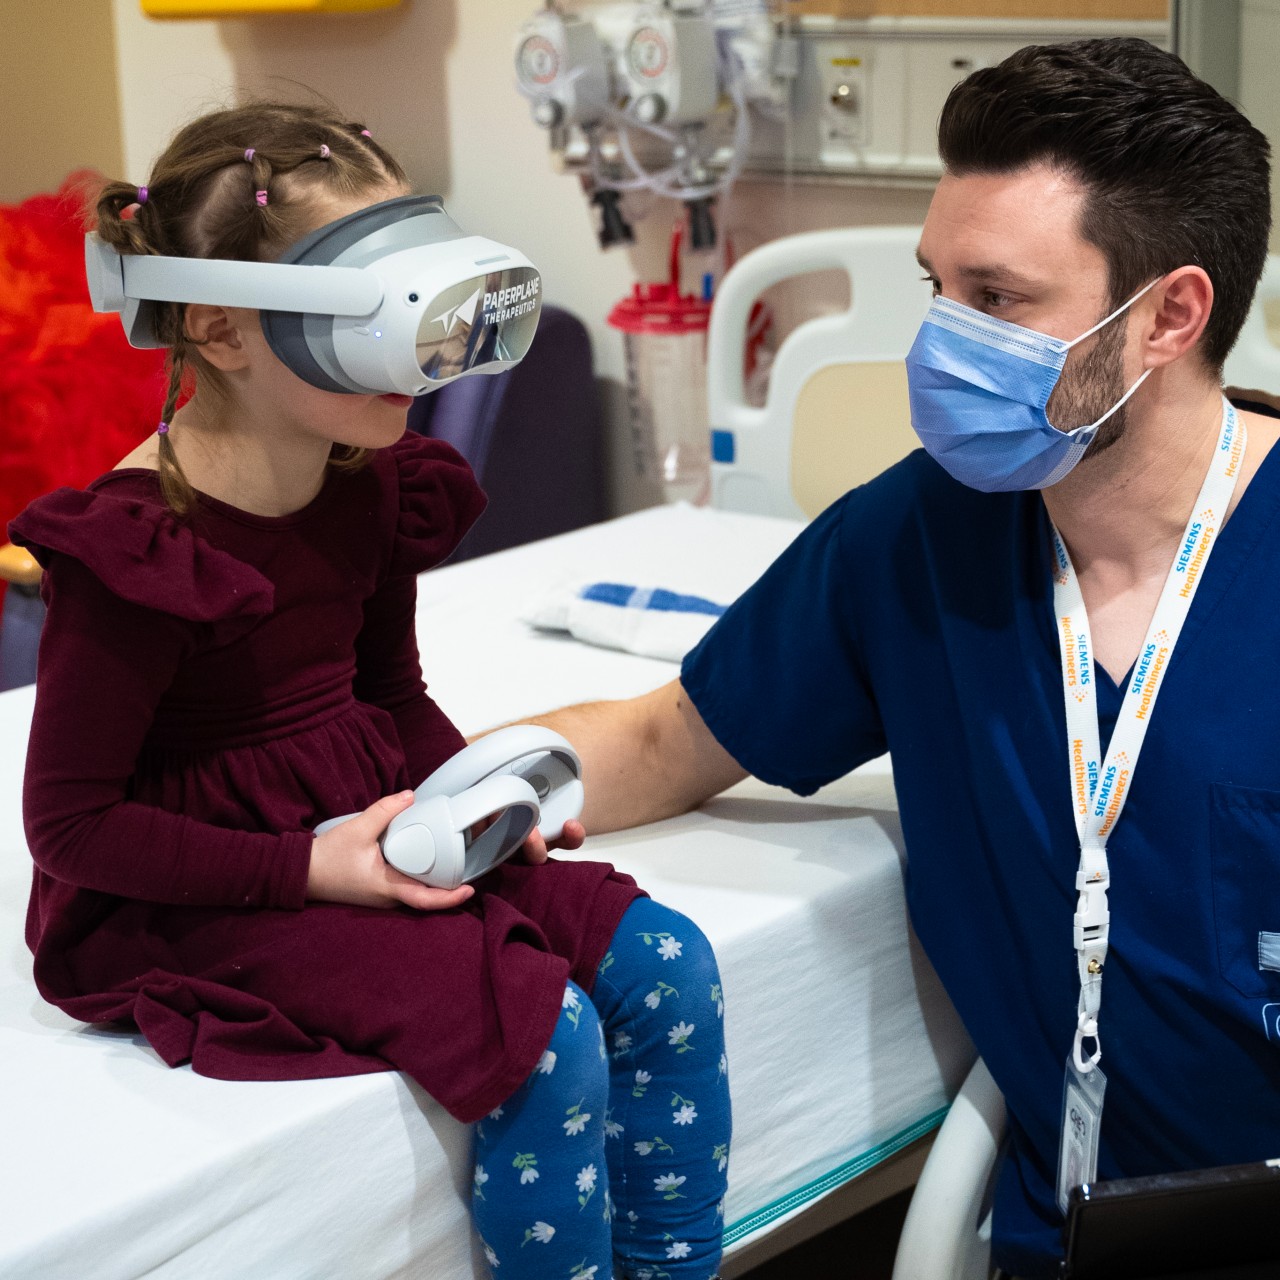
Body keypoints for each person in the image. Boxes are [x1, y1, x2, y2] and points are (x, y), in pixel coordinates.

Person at [525, 39, 1280, 1278]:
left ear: (1168, 315)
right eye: (937, 287)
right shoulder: (922, 537)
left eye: (996, 300)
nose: (940, 344)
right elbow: (667, 736)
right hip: (1062, 1232)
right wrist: (435, 792)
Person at [9, 102, 729, 1280]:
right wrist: (308, 866)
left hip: (356, 828)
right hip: (198, 888)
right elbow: (73, 828)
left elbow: (387, 692)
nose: (427, 362)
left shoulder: (371, 487)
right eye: (382, 320)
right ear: (218, 326)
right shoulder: (137, 550)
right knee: (540, 1031)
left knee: (664, 961)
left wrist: (486, 798)